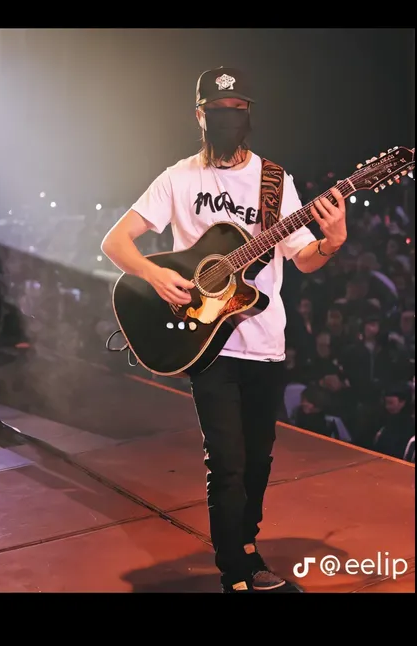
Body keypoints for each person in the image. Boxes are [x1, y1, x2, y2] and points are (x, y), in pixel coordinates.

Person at [101, 66, 348, 593]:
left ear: (249, 115)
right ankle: (235, 569)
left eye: (238, 112)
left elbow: (302, 259)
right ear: (200, 115)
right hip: (204, 340)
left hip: (264, 341)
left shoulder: (274, 182)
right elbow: (116, 242)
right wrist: (153, 272)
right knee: (228, 461)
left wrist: (330, 241)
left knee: (258, 457)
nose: (229, 120)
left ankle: (248, 543)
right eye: (218, 112)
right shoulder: (178, 178)